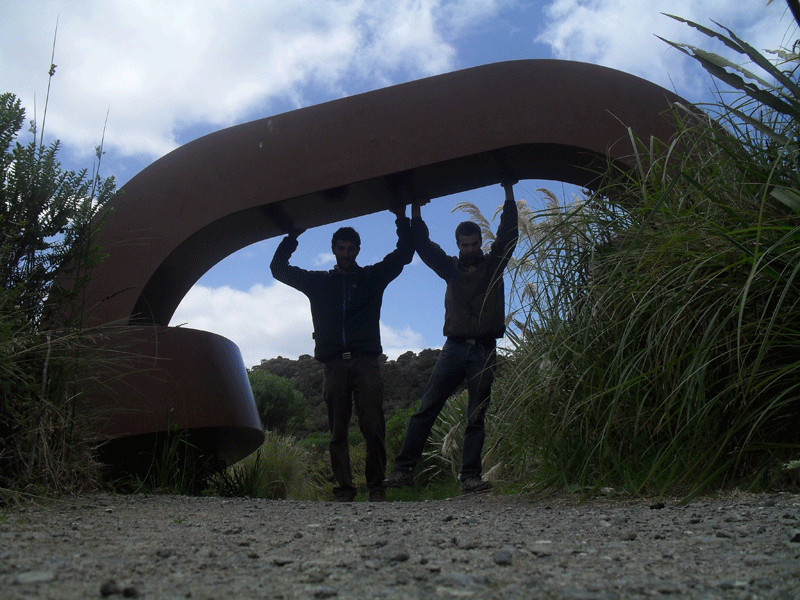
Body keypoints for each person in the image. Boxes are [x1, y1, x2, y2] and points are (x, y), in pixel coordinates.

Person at [270, 205, 413, 502]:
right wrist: (292, 237)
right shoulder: (319, 282)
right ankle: (344, 490)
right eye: (341, 248)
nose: (346, 254)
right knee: (338, 432)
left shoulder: (372, 278)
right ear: (333, 250)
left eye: (350, 249)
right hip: (334, 365)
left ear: (358, 250)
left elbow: (404, 254)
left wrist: (401, 218)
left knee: (373, 428)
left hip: (367, 363)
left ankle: (376, 488)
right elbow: (278, 268)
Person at [384, 179, 518, 495]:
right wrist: (416, 209)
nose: (470, 249)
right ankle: (404, 470)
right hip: (454, 348)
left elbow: (509, 233)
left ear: (481, 242)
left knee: (476, 415)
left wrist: (508, 192)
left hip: (484, 351)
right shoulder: (450, 268)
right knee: (426, 408)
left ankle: (470, 477)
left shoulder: (494, 264)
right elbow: (423, 245)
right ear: (458, 245)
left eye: (474, 244)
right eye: (464, 245)